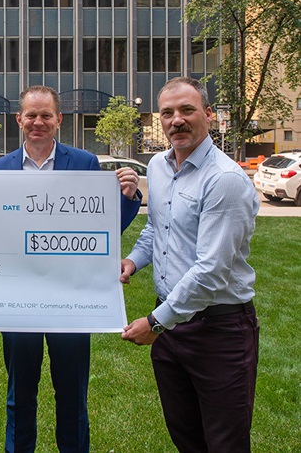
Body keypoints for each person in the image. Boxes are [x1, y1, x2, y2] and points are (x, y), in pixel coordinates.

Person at [0, 85, 142, 453]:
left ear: (59, 119)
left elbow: (102, 232)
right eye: (31, 115)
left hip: (71, 299)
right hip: (18, 300)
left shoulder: (85, 163)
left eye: (45, 115)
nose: (37, 122)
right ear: (19, 119)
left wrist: (128, 197)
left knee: (72, 396)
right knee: (19, 395)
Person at [120, 77, 260, 452]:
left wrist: (155, 322)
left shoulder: (225, 179)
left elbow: (212, 270)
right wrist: (133, 262)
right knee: (187, 438)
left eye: (187, 110)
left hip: (219, 331)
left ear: (209, 115)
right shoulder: (159, 166)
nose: (176, 120)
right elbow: (157, 227)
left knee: (224, 443)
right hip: (172, 328)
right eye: (167, 113)